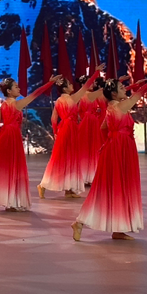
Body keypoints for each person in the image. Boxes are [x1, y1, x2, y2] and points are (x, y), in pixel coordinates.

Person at [72, 68, 147, 241]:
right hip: (119, 149)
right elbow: (140, 93)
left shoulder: (112, 108)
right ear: (114, 94)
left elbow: (103, 128)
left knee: (119, 187)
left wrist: (108, 142)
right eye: (122, 88)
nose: (125, 90)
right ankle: (81, 222)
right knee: (112, 187)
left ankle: (118, 228)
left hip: (119, 148)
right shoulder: (119, 106)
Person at [0, 75, 60, 213]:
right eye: (16, 87)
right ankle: (10, 201)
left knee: (0, 168)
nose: (19, 89)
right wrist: (49, 83)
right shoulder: (16, 104)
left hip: (4, 136)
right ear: (9, 91)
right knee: (13, 168)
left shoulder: (4, 104)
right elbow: (35, 94)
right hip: (12, 136)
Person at [38, 67, 104, 199]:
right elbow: (85, 87)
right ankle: (43, 185)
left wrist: (55, 131)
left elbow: (53, 118)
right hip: (70, 129)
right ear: (64, 88)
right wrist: (96, 72)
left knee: (67, 158)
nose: (72, 85)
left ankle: (69, 189)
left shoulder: (59, 101)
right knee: (65, 158)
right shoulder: (72, 98)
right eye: (69, 84)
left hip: (65, 129)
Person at [76, 74, 107, 185]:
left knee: (90, 149)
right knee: (89, 149)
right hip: (89, 123)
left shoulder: (86, 95)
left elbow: (79, 110)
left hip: (91, 122)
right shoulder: (88, 95)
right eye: (90, 82)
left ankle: (89, 176)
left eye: (93, 82)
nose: (92, 84)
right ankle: (88, 176)